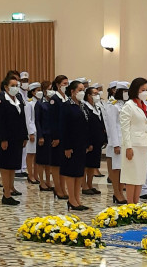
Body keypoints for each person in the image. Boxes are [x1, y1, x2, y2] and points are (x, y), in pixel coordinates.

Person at [0, 76, 28, 205]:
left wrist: (24, 135)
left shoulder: (19, 98)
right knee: (5, 165)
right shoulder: (1, 99)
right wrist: (3, 139)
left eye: (17, 85)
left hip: (18, 136)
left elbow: (22, 117)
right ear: (6, 87)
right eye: (13, 85)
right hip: (7, 137)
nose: (15, 87)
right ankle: (6, 194)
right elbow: (1, 121)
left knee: (13, 164)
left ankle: (10, 188)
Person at [60, 80, 91, 211]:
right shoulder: (66, 106)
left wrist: (88, 143)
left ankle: (77, 198)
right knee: (71, 172)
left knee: (79, 172)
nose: (82, 92)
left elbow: (86, 125)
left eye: (83, 90)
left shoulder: (83, 105)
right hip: (70, 144)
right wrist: (67, 146)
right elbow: (63, 127)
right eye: (79, 90)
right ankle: (71, 199)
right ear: (72, 91)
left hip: (81, 143)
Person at [120, 78, 147, 204]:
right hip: (132, 145)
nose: (145, 92)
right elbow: (125, 129)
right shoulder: (129, 106)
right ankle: (130, 204)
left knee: (140, 177)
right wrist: (128, 147)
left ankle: (136, 204)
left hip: (143, 145)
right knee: (131, 177)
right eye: (143, 90)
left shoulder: (145, 106)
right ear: (135, 90)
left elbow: (146, 128)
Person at [108, 81, 130, 204]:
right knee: (116, 169)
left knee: (123, 168)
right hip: (117, 142)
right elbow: (112, 126)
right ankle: (116, 192)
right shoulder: (113, 105)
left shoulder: (126, 105)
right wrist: (116, 144)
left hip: (126, 141)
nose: (127, 94)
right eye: (125, 92)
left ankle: (121, 191)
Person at [82, 87, 107, 194]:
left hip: (97, 140)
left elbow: (101, 124)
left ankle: (90, 184)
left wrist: (104, 139)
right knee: (86, 165)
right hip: (89, 141)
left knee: (93, 164)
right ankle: (84, 186)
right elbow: (85, 126)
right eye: (95, 93)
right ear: (88, 95)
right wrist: (88, 143)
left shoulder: (97, 107)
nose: (97, 95)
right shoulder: (84, 108)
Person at [51, 75, 70, 198]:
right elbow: (52, 120)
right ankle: (57, 188)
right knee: (56, 164)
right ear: (58, 85)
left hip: (65, 135)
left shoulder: (67, 98)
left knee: (63, 164)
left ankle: (63, 188)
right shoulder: (54, 99)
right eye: (64, 83)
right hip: (57, 136)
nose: (66, 86)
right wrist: (56, 137)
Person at [35, 81, 55, 191]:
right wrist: (40, 136)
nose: (51, 91)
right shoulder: (39, 103)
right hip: (43, 134)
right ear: (44, 90)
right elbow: (37, 121)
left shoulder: (52, 102)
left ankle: (48, 180)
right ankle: (41, 182)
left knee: (49, 160)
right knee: (41, 160)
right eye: (49, 88)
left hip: (51, 134)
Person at [25, 82, 42, 184]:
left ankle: (36, 175)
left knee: (37, 155)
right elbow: (28, 119)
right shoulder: (29, 103)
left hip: (39, 131)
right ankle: (30, 175)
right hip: (32, 132)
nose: (39, 92)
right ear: (33, 92)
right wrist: (31, 132)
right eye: (37, 90)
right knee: (30, 154)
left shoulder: (40, 102)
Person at [104, 81, 118, 183]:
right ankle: (111, 175)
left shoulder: (118, 102)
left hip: (117, 134)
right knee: (110, 154)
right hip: (111, 133)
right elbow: (109, 120)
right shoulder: (111, 103)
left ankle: (112, 176)